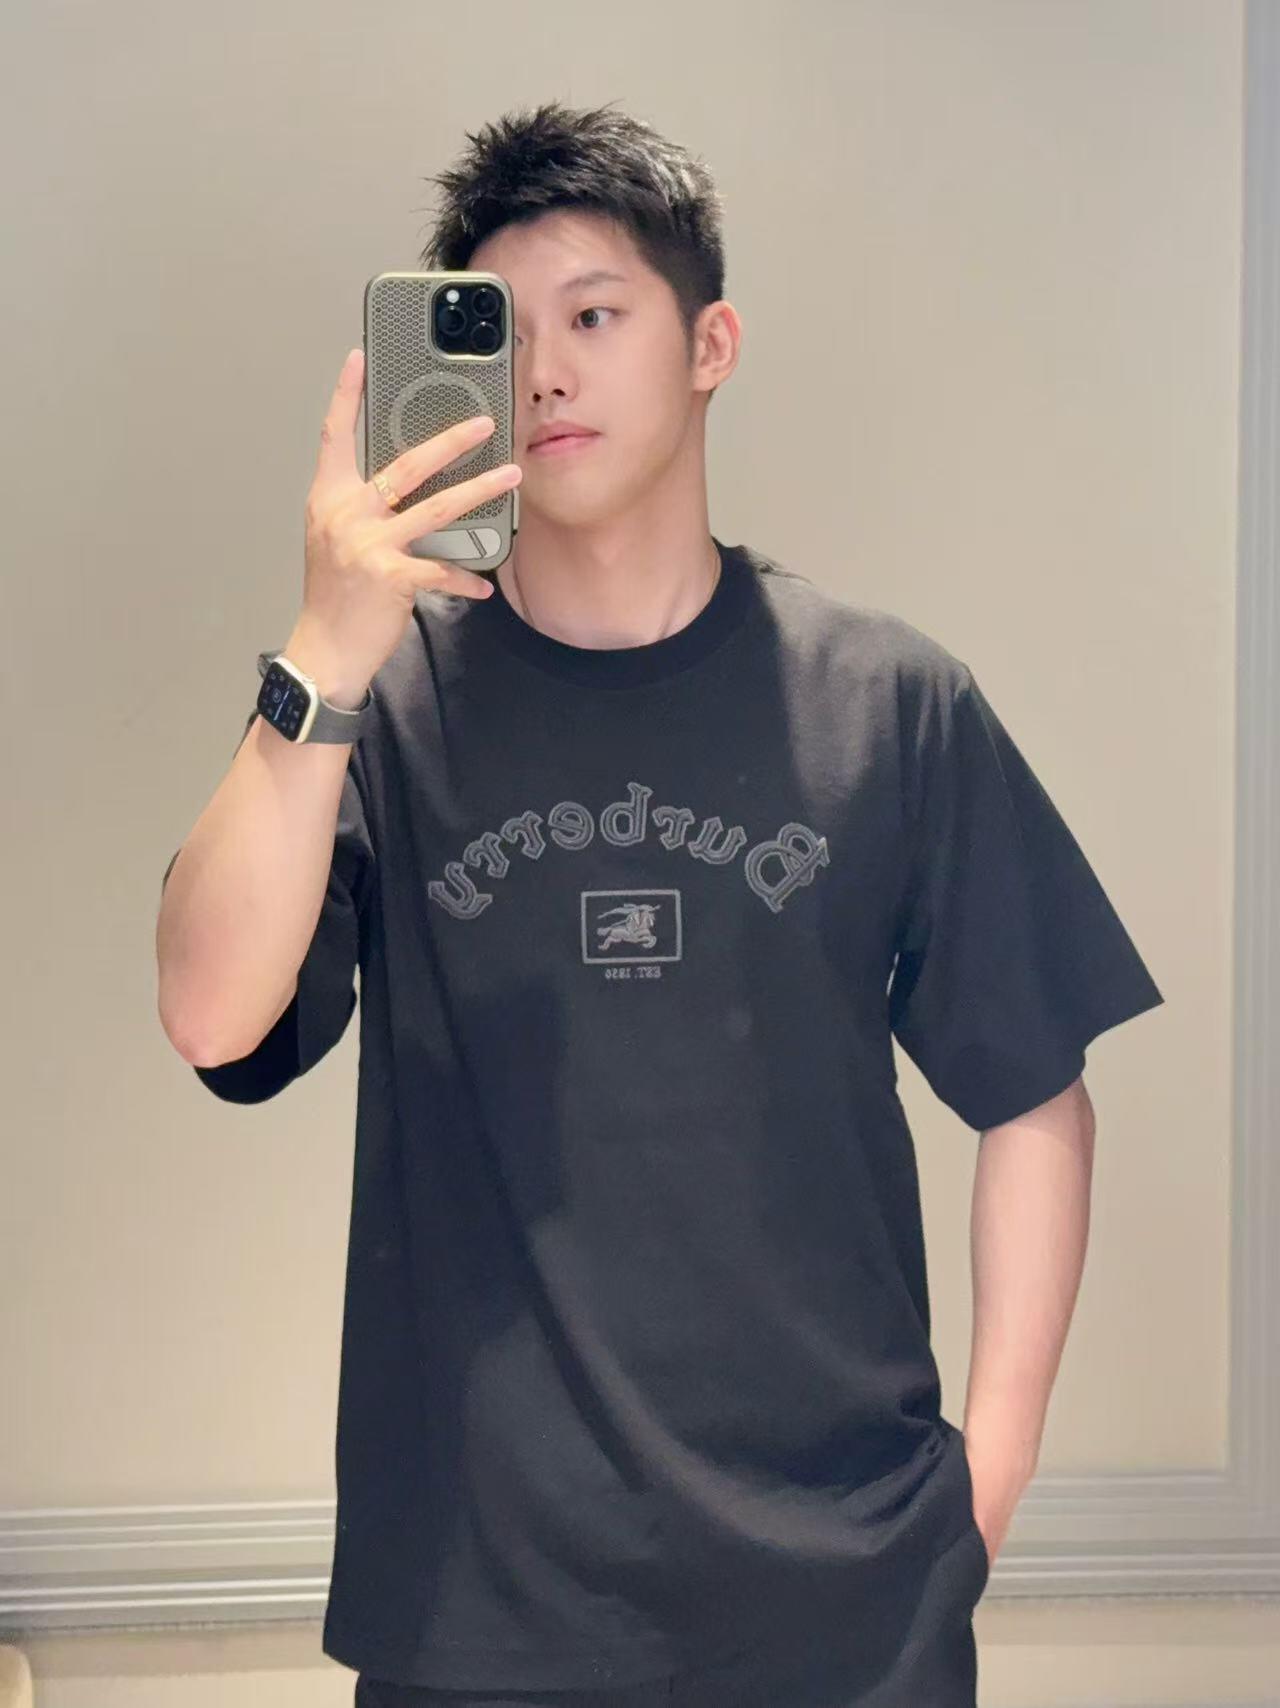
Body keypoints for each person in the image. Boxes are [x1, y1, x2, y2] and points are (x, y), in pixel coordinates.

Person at [155, 100, 1164, 1708]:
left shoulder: (884, 704)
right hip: (477, 1611)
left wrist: (991, 1477)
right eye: (505, 336)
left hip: (847, 1607)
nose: (546, 373)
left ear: (710, 345)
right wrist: (323, 652)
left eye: (596, 316)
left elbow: (1035, 1087)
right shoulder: (377, 711)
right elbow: (213, 1015)